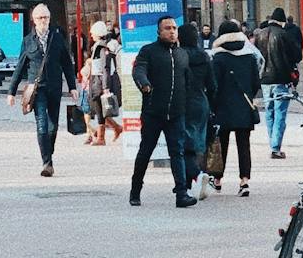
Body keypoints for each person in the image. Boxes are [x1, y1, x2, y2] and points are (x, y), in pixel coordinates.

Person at [127, 17, 194, 209]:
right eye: (167, 28)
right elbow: (138, 71)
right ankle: (135, 190)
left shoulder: (182, 55)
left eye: (174, 28)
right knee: (145, 151)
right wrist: (145, 85)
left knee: (177, 152)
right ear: (159, 31)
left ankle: (181, 194)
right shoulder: (148, 51)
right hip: (153, 112)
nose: (172, 31)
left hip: (176, 113)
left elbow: (187, 82)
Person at [6, 4, 76, 178]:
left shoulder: (57, 38)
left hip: (54, 87)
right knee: (42, 125)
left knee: (53, 127)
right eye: (40, 18)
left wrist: (73, 87)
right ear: (34, 20)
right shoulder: (28, 41)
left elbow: (67, 64)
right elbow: (20, 66)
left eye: (46, 17)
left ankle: (48, 154)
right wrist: (11, 92)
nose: (43, 21)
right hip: (37, 89)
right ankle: (47, 163)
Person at [208, 19, 261, 196]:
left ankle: (217, 179)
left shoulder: (218, 57)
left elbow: (213, 85)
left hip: (223, 107)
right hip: (244, 107)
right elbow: (255, 84)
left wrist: (213, 105)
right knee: (243, 145)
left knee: (220, 144)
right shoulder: (249, 56)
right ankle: (244, 181)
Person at [254, 5, 302, 160]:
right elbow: (297, 55)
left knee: (269, 112)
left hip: (265, 79)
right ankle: (275, 147)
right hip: (281, 78)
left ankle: (272, 142)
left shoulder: (260, 35)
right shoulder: (284, 34)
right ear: (281, 21)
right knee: (280, 113)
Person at [177, 22, 214, 198]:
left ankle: (195, 177)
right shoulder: (204, 56)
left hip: (182, 103)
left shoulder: (177, 55)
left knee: (181, 144)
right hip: (200, 102)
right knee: (198, 144)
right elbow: (212, 85)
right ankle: (193, 177)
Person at [81, 22, 121, 147]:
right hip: (96, 82)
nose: (91, 35)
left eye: (93, 32)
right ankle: (112, 130)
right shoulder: (98, 47)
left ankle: (101, 137)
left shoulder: (101, 48)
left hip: (99, 82)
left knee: (99, 109)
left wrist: (105, 87)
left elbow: (105, 68)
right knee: (98, 109)